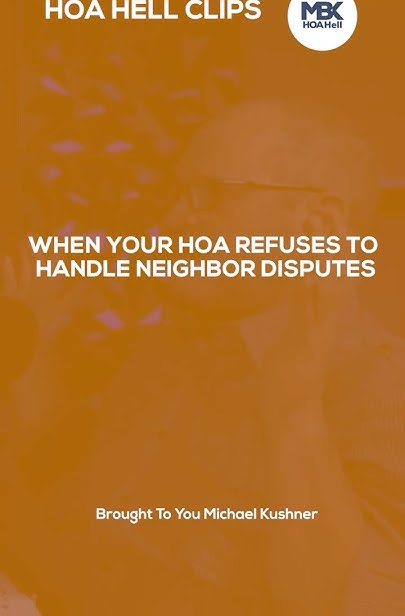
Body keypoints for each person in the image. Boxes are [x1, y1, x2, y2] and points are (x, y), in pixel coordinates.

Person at [5, 100, 405, 615]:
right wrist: (29, 355)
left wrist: (294, 413)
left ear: (317, 225)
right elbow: (68, 517)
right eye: (177, 195)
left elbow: (347, 605)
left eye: (208, 194)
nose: (173, 221)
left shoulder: (382, 393)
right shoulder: (164, 348)